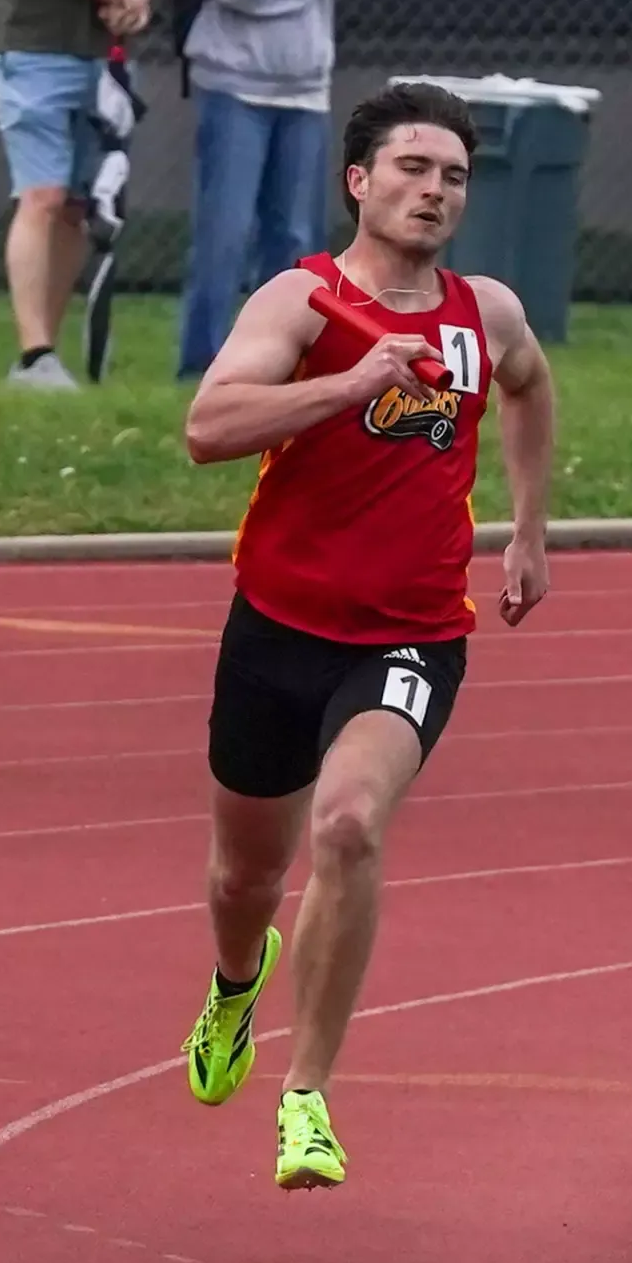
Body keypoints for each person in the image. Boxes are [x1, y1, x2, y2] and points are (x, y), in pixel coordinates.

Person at [175, 81, 557, 1190]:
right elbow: (207, 427)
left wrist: (527, 530)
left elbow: (530, 389)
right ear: (358, 180)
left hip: (411, 634)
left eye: (451, 176)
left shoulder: (485, 313)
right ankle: (236, 984)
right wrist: (347, 383)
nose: (433, 190)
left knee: (346, 825)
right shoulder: (304, 301)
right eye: (411, 169)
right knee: (243, 880)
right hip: (277, 625)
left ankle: (306, 1100)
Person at [0, 0, 157, 389]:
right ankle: (35, 355)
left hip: (105, 56)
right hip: (30, 48)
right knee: (43, 198)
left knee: (78, 206)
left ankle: (44, 356)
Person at [175, 0, 356, 380]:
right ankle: (202, 367)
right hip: (230, 87)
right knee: (224, 234)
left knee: (294, 238)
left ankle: (283, 363)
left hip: (306, 94)